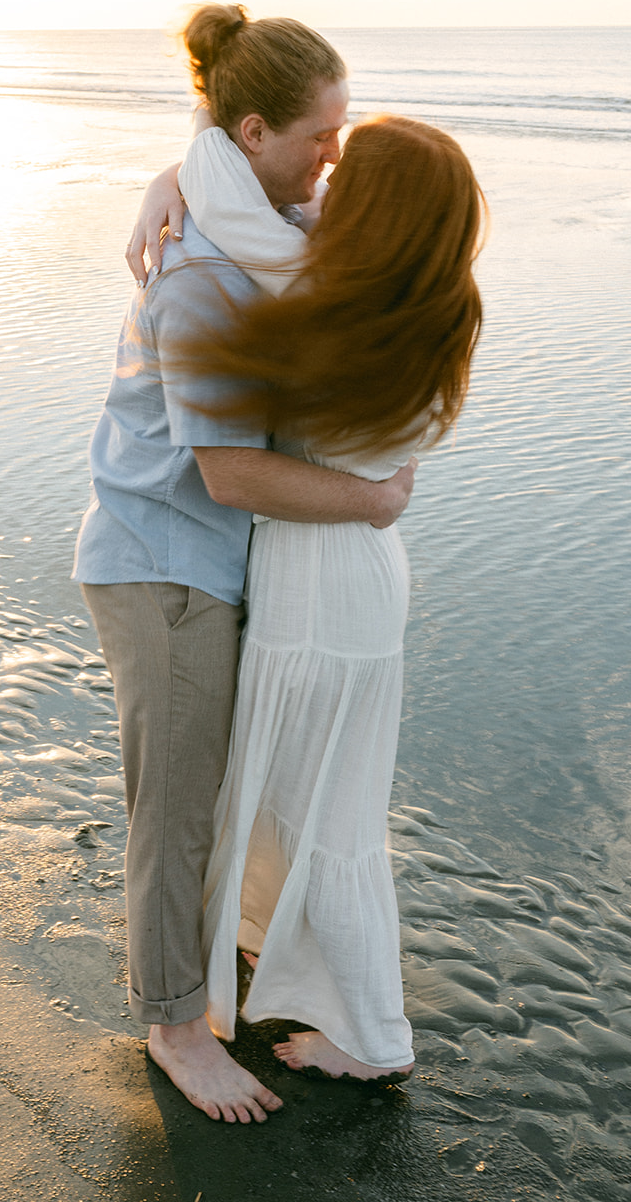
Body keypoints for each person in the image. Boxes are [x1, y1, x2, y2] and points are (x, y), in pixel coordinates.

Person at [72, 5, 418, 1122]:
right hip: (165, 564)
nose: (335, 158)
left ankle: (221, 968)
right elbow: (227, 474)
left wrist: (170, 167)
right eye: (322, 135)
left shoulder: (246, 211)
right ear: (257, 132)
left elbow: (238, 163)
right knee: (175, 805)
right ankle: (176, 1026)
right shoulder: (207, 281)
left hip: (198, 557)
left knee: (208, 792)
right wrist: (371, 500)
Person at [164, 102, 485, 1080]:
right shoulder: (434, 300)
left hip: (319, 585)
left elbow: (220, 180)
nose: (328, 171)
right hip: (354, 573)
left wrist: (186, 160)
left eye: (349, 174)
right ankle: (278, 946)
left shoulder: (322, 297)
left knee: (327, 817)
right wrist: (161, 186)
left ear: (380, 212)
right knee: (299, 796)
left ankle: (372, 1041)